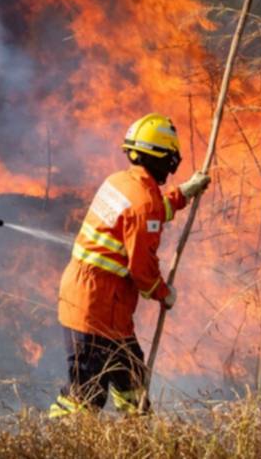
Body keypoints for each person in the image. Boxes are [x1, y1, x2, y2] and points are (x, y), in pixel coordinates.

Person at [50, 113, 210, 416]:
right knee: (84, 397)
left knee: (132, 380)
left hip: (104, 304)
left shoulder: (121, 182)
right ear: (164, 158)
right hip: (96, 307)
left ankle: (135, 439)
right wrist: (163, 293)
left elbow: (145, 213)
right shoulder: (143, 202)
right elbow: (142, 269)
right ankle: (57, 445)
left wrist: (183, 194)